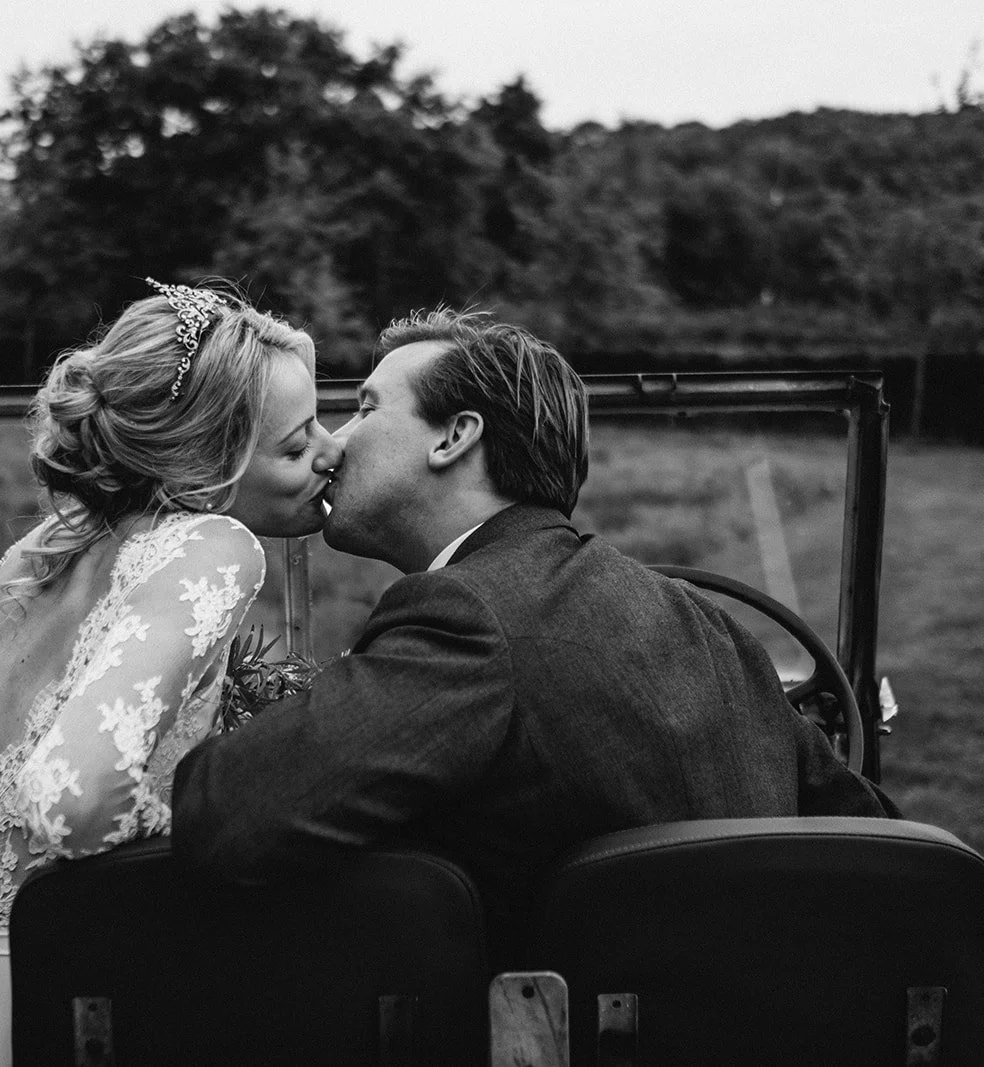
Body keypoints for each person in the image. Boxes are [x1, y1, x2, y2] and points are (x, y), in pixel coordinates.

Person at [170, 309, 894, 971]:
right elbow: (876, 833)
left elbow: (230, 816)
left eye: (364, 407)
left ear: (455, 436)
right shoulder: (708, 623)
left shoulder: (464, 615)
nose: (333, 444)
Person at [0, 279, 340, 1065]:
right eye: (296, 442)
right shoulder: (213, 544)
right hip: (54, 993)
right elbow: (67, 803)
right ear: (204, 462)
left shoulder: (40, 549)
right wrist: (213, 813)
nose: (331, 450)